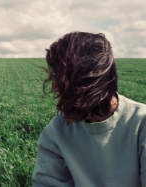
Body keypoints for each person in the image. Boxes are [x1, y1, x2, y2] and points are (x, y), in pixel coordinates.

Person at [32, 32, 146, 186]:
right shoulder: (56, 132)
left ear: (89, 79)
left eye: (60, 78)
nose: (53, 88)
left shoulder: (142, 123)